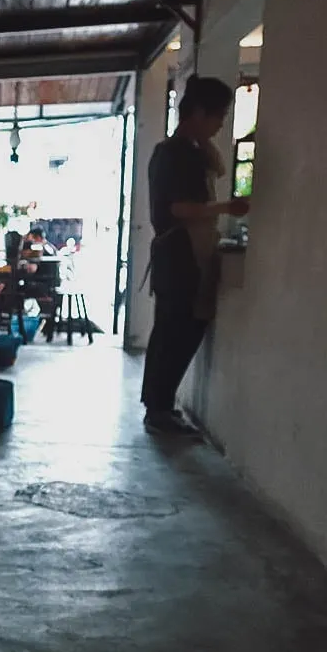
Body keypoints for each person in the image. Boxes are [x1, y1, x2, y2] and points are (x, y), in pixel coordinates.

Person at [141, 75, 250, 435]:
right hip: (180, 254)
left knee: (173, 329)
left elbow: (208, 176)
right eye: (218, 116)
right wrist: (227, 208)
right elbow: (180, 208)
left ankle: (158, 406)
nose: (221, 124)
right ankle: (159, 408)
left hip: (176, 255)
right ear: (199, 113)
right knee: (180, 329)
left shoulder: (185, 151)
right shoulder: (176, 154)